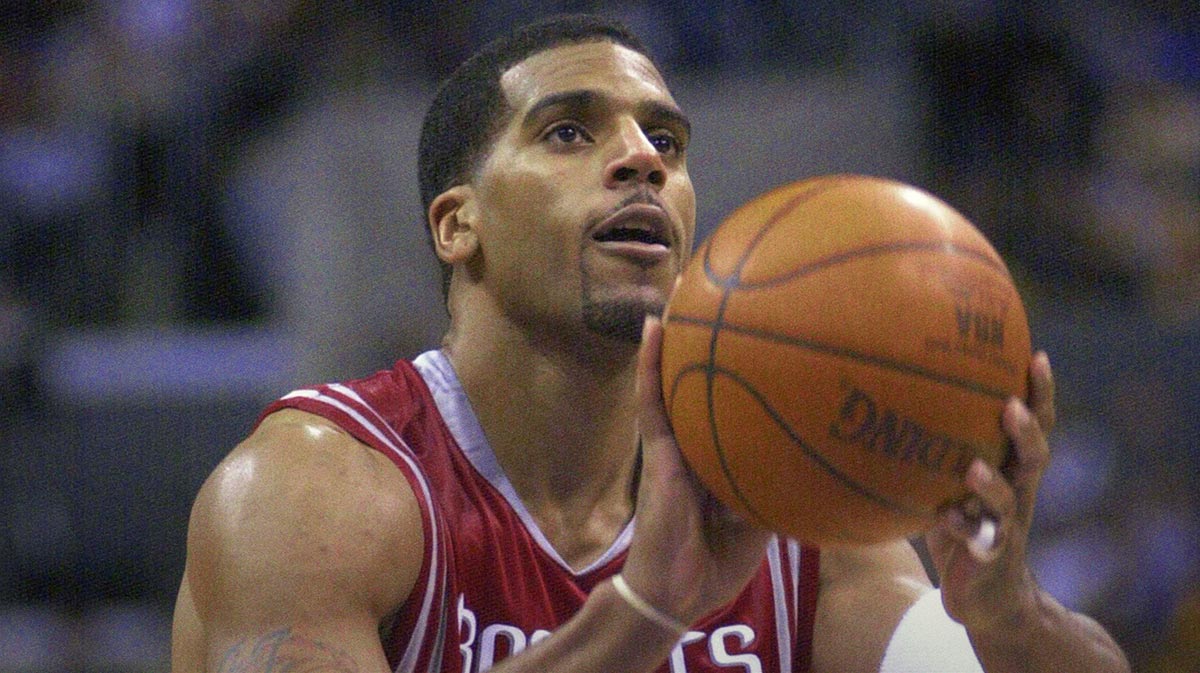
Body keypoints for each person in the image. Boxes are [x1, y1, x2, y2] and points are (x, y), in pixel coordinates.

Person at [171, 14, 1131, 673]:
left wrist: (1005, 618)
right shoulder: (317, 488)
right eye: (567, 133)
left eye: (666, 143)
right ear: (457, 225)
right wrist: (644, 616)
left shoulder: (788, 503)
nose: (641, 157)